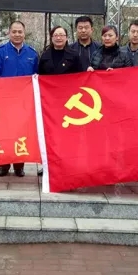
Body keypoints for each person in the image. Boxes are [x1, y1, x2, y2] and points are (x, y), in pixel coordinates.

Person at [0, 21, 39, 177]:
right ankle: (3, 165)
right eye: (14, 32)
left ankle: (19, 166)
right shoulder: (0, 52)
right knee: (4, 133)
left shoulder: (32, 53)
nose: (17, 34)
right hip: (5, 101)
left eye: (20, 32)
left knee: (21, 133)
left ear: (24, 33)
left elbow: (37, 77)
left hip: (24, 102)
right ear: (9, 33)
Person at [37, 25, 82, 177]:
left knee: (67, 136)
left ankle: (67, 164)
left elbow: (81, 78)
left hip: (69, 102)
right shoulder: (45, 55)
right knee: (49, 135)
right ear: (51, 37)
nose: (59, 37)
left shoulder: (74, 55)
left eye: (62, 35)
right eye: (56, 35)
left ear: (67, 37)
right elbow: (39, 77)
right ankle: (47, 165)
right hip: (49, 102)